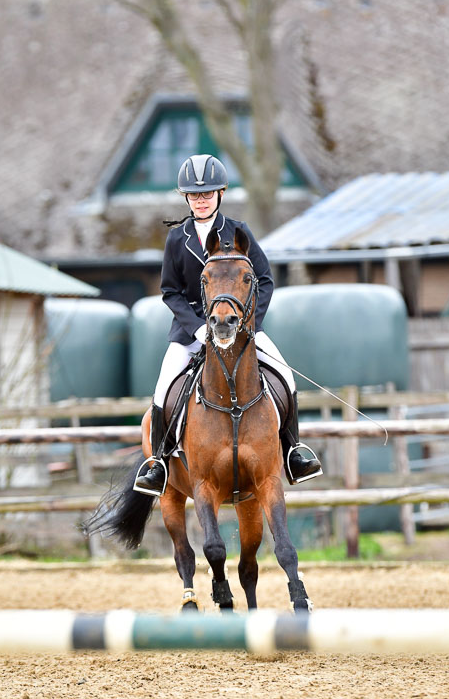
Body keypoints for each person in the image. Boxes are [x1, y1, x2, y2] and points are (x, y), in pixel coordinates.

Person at [135, 154, 322, 494]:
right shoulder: (177, 239)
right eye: (194, 195)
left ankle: (294, 449)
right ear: (187, 198)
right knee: (163, 389)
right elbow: (170, 291)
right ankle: (159, 463)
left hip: (241, 326)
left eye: (207, 194)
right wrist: (196, 328)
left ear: (220, 194)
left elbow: (264, 280)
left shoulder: (238, 232)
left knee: (286, 376)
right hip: (192, 330)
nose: (201, 200)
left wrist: (249, 324)